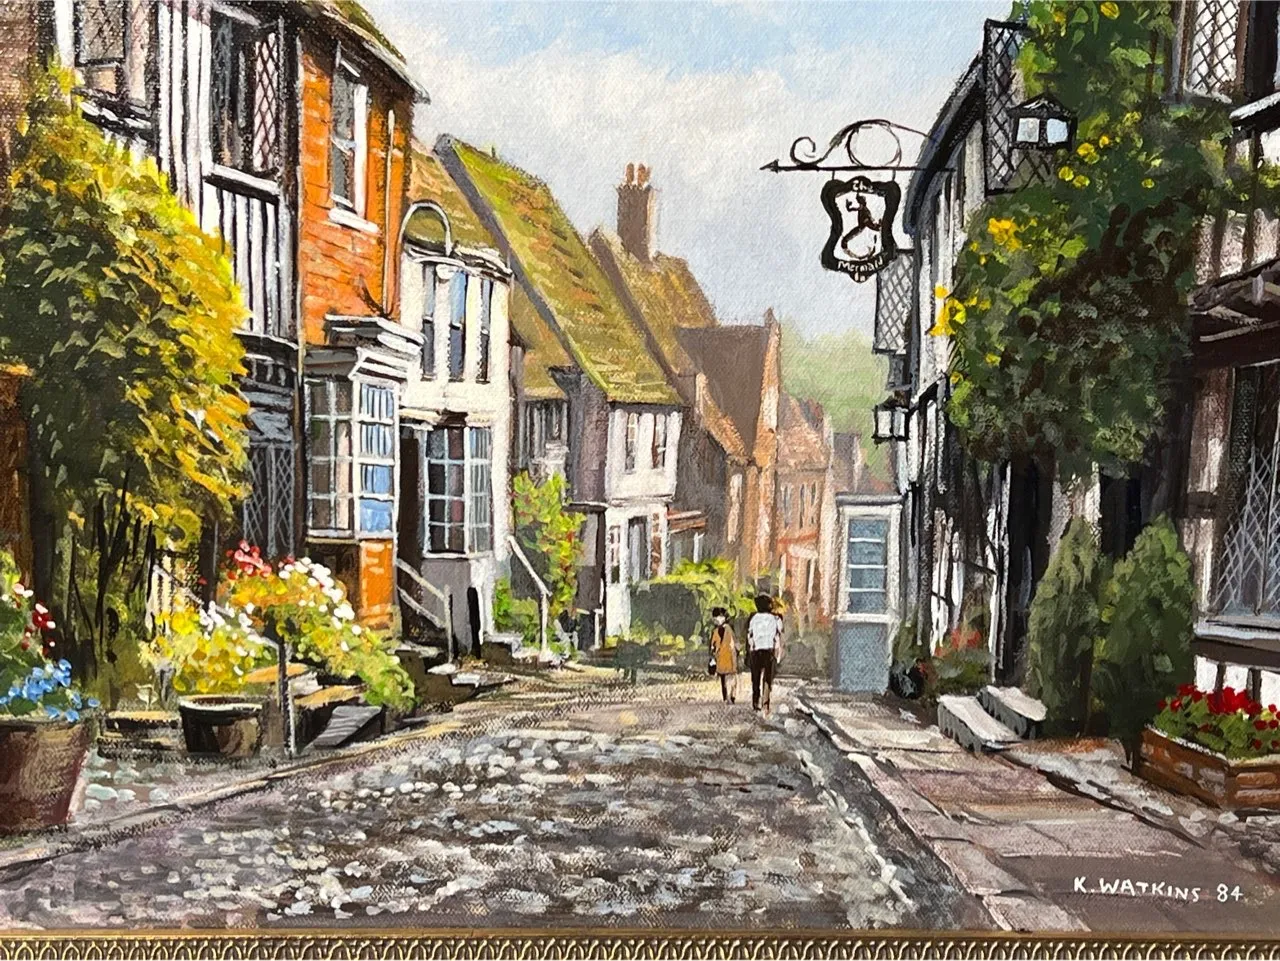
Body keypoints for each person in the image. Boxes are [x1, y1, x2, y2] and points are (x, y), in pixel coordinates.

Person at [746, 594, 784, 716]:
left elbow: (750, 636)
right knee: (767, 679)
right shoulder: (776, 619)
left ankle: (755, 702)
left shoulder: (753, 618)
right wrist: (778, 653)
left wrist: (750, 649)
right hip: (769, 651)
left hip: (756, 651)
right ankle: (765, 704)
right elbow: (778, 636)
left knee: (755, 678)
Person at [708, 606, 738, 703]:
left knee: (731, 676)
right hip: (720, 657)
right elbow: (713, 645)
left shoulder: (728, 629)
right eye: (716, 617)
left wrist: (734, 655)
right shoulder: (715, 631)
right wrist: (713, 654)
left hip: (729, 656)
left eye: (720, 617)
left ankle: (732, 696)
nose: (718, 619)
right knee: (723, 678)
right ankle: (726, 697)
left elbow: (733, 643)